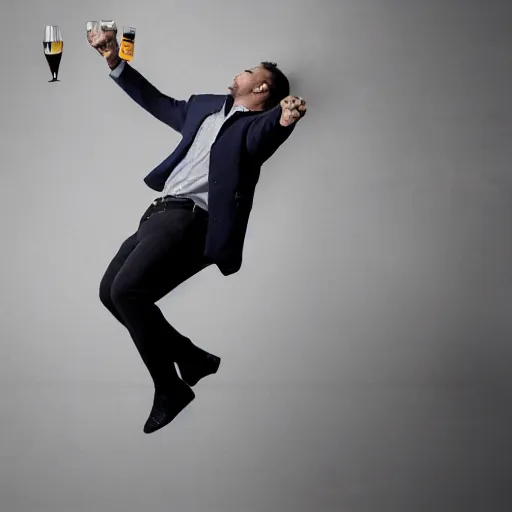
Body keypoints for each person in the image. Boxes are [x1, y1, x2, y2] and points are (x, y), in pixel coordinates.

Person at [87, 27, 307, 434]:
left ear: (261, 86)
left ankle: (170, 387)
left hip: (190, 218)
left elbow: (267, 134)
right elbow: (156, 102)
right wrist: (113, 59)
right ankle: (191, 358)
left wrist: (285, 117)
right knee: (110, 293)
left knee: (126, 292)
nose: (238, 73)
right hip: (157, 215)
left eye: (247, 71)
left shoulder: (254, 126)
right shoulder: (204, 107)